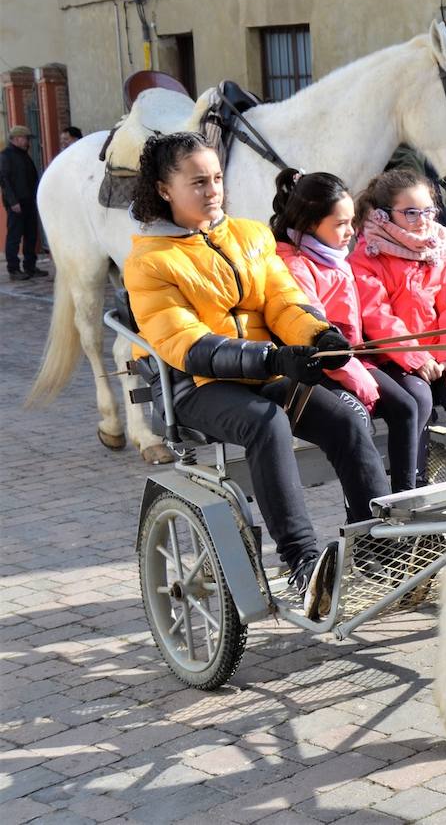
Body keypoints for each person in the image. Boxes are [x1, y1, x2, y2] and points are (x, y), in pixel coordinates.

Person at [123, 133, 389, 619]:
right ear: (164, 190)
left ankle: (380, 544)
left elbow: (284, 301)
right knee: (267, 423)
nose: (212, 191)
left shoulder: (250, 235)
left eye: (218, 178)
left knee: (347, 418)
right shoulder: (148, 263)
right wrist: (271, 359)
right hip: (199, 387)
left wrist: (318, 336)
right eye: (198, 182)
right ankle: (302, 562)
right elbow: (186, 343)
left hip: (267, 371)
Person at [271, 169, 421, 494]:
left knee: (407, 406)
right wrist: (361, 382)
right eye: (340, 224)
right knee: (356, 424)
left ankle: (406, 499)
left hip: (350, 359)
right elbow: (317, 334)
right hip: (321, 369)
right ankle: (367, 513)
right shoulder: (295, 266)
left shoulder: (334, 257)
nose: (350, 232)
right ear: (310, 224)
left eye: (352, 222)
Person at [350, 167, 446, 480]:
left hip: (437, 355)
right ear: (383, 216)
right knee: (418, 397)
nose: (423, 221)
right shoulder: (367, 257)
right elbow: (377, 316)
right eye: (411, 213)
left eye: (428, 211)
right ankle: (410, 485)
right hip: (392, 358)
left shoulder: (439, 250)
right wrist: (417, 358)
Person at [1, 125, 45, 281]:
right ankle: (13, 269)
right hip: (16, 203)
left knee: (31, 235)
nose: (28, 141)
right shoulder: (6, 156)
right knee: (14, 236)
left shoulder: (23, 155)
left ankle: (30, 266)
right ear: (16, 139)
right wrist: (13, 202)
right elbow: (5, 182)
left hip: (28, 201)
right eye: (26, 138)